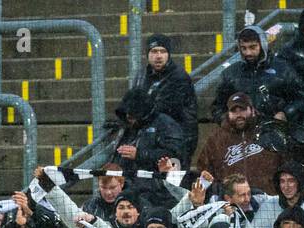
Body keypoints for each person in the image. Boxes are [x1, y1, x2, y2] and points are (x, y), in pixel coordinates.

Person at [211, 25, 304, 125]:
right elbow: (217, 107)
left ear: (263, 45)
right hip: (242, 133)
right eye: (243, 48)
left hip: (275, 130)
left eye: (253, 47)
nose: (248, 53)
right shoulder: (230, 74)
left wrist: (285, 113)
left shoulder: (283, 69)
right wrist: (227, 121)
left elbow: (300, 99)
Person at [109, 87, 187, 209]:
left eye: (132, 114)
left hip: (157, 194)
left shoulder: (166, 125)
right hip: (128, 190)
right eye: (127, 114)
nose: (129, 117)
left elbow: (175, 156)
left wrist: (140, 154)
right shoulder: (126, 128)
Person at [195, 94, 283, 191]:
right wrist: (220, 191)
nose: (239, 115)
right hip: (232, 200)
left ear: (252, 110)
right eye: (234, 111)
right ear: (228, 113)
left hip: (268, 198)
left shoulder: (269, 131)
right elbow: (204, 171)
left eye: (242, 110)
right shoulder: (216, 139)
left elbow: (286, 165)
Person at [133, 34, 197, 164]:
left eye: (163, 51)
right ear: (147, 54)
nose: (159, 56)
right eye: (154, 51)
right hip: (153, 142)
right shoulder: (142, 75)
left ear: (168, 54)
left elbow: (160, 109)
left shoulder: (179, 77)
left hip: (176, 143)